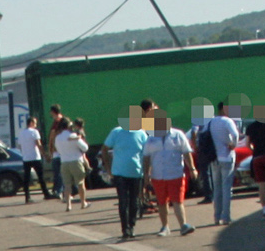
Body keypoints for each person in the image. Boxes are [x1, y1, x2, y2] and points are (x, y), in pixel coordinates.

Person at [100, 102, 152, 241]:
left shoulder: (141, 134)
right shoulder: (116, 132)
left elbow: (147, 154)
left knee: (134, 202)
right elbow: (104, 149)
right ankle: (125, 229)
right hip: (119, 173)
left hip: (136, 172)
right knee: (123, 201)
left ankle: (132, 225)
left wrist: (147, 172)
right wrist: (108, 168)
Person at [143, 108, 195, 236]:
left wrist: (192, 168)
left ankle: (183, 225)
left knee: (177, 201)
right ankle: (165, 227)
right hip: (158, 175)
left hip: (175, 174)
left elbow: (187, 153)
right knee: (161, 202)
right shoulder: (150, 139)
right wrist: (146, 175)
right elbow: (146, 158)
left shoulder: (178, 135)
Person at [206, 101, 242, 227]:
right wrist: (233, 144)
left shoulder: (211, 121)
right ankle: (226, 217)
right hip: (226, 157)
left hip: (214, 158)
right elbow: (235, 134)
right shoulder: (227, 121)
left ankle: (217, 216)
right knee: (227, 188)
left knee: (217, 188)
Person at [55, 119, 90, 211]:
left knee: (67, 185)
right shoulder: (73, 136)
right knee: (80, 183)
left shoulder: (58, 138)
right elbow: (85, 148)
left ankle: (68, 205)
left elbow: (58, 150)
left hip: (64, 162)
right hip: (76, 161)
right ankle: (83, 202)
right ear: (68, 126)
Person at [16, 114, 49, 202]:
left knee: (26, 178)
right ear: (31, 123)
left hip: (26, 158)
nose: (36, 125)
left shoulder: (21, 133)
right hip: (35, 157)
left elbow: (19, 146)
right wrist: (44, 154)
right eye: (35, 123)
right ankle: (46, 193)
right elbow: (39, 144)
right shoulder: (34, 132)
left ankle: (27, 197)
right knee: (41, 177)